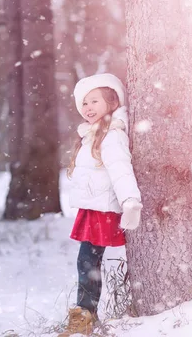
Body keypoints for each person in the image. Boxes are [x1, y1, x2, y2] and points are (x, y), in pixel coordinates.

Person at [60, 73, 143, 336]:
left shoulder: (112, 135)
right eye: (84, 104)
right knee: (87, 262)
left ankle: (84, 316)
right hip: (93, 207)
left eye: (94, 101)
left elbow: (121, 169)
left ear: (111, 101)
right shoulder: (94, 134)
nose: (88, 108)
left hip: (103, 209)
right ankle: (85, 314)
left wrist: (131, 200)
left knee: (87, 262)